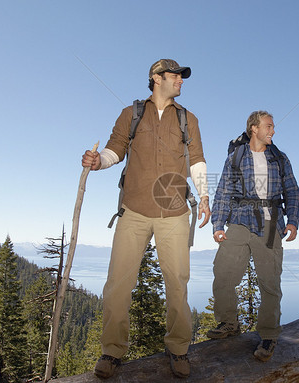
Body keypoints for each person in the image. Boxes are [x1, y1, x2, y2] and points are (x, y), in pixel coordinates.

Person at [81, 59, 209, 379]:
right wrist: (98, 161)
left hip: (174, 213)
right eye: (175, 76)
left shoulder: (187, 118)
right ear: (156, 78)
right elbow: (115, 149)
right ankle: (112, 352)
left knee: (177, 285)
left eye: (181, 76)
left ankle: (178, 349)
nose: (180, 81)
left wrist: (204, 195)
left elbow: (196, 161)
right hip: (134, 212)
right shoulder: (131, 114)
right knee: (118, 285)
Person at [208, 110, 299, 362]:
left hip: (271, 223)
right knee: (224, 272)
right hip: (239, 220)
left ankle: (269, 334)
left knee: (270, 282)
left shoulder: (279, 158)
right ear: (254, 128)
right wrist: (218, 224)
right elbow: (223, 191)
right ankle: (229, 323)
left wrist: (292, 220)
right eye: (269, 126)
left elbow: (292, 191)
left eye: (272, 126)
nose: (273, 130)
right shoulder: (236, 157)